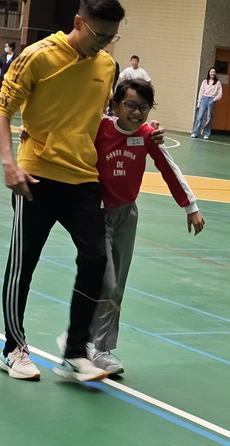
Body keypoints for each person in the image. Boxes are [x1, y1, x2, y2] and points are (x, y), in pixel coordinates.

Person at [0, 0, 130, 383]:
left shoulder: (107, 67)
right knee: (23, 265)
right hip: (35, 177)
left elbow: (93, 118)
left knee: (96, 259)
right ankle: (12, 348)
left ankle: (74, 351)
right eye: (99, 34)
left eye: (112, 37)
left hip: (83, 178)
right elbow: (2, 111)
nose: (104, 43)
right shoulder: (37, 57)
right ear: (78, 22)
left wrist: (140, 134)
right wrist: (9, 164)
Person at [81, 78, 205, 375]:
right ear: (115, 105)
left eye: (144, 107)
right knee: (105, 279)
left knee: (117, 285)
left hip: (126, 215)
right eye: (130, 105)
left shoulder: (148, 136)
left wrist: (190, 206)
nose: (137, 113)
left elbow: (169, 168)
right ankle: (80, 340)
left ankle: (100, 349)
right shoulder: (99, 127)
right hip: (96, 213)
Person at [191, 66, 223, 140]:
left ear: (215, 73)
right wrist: (199, 102)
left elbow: (220, 94)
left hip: (211, 99)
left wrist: (214, 100)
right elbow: (201, 92)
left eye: (214, 72)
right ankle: (195, 133)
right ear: (209, 73)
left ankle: (206, 134)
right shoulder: (205, 81)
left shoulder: (218, 83)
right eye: (211, 72)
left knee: (209, 117)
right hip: (204, 99)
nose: (212, 73)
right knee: (199, 117)